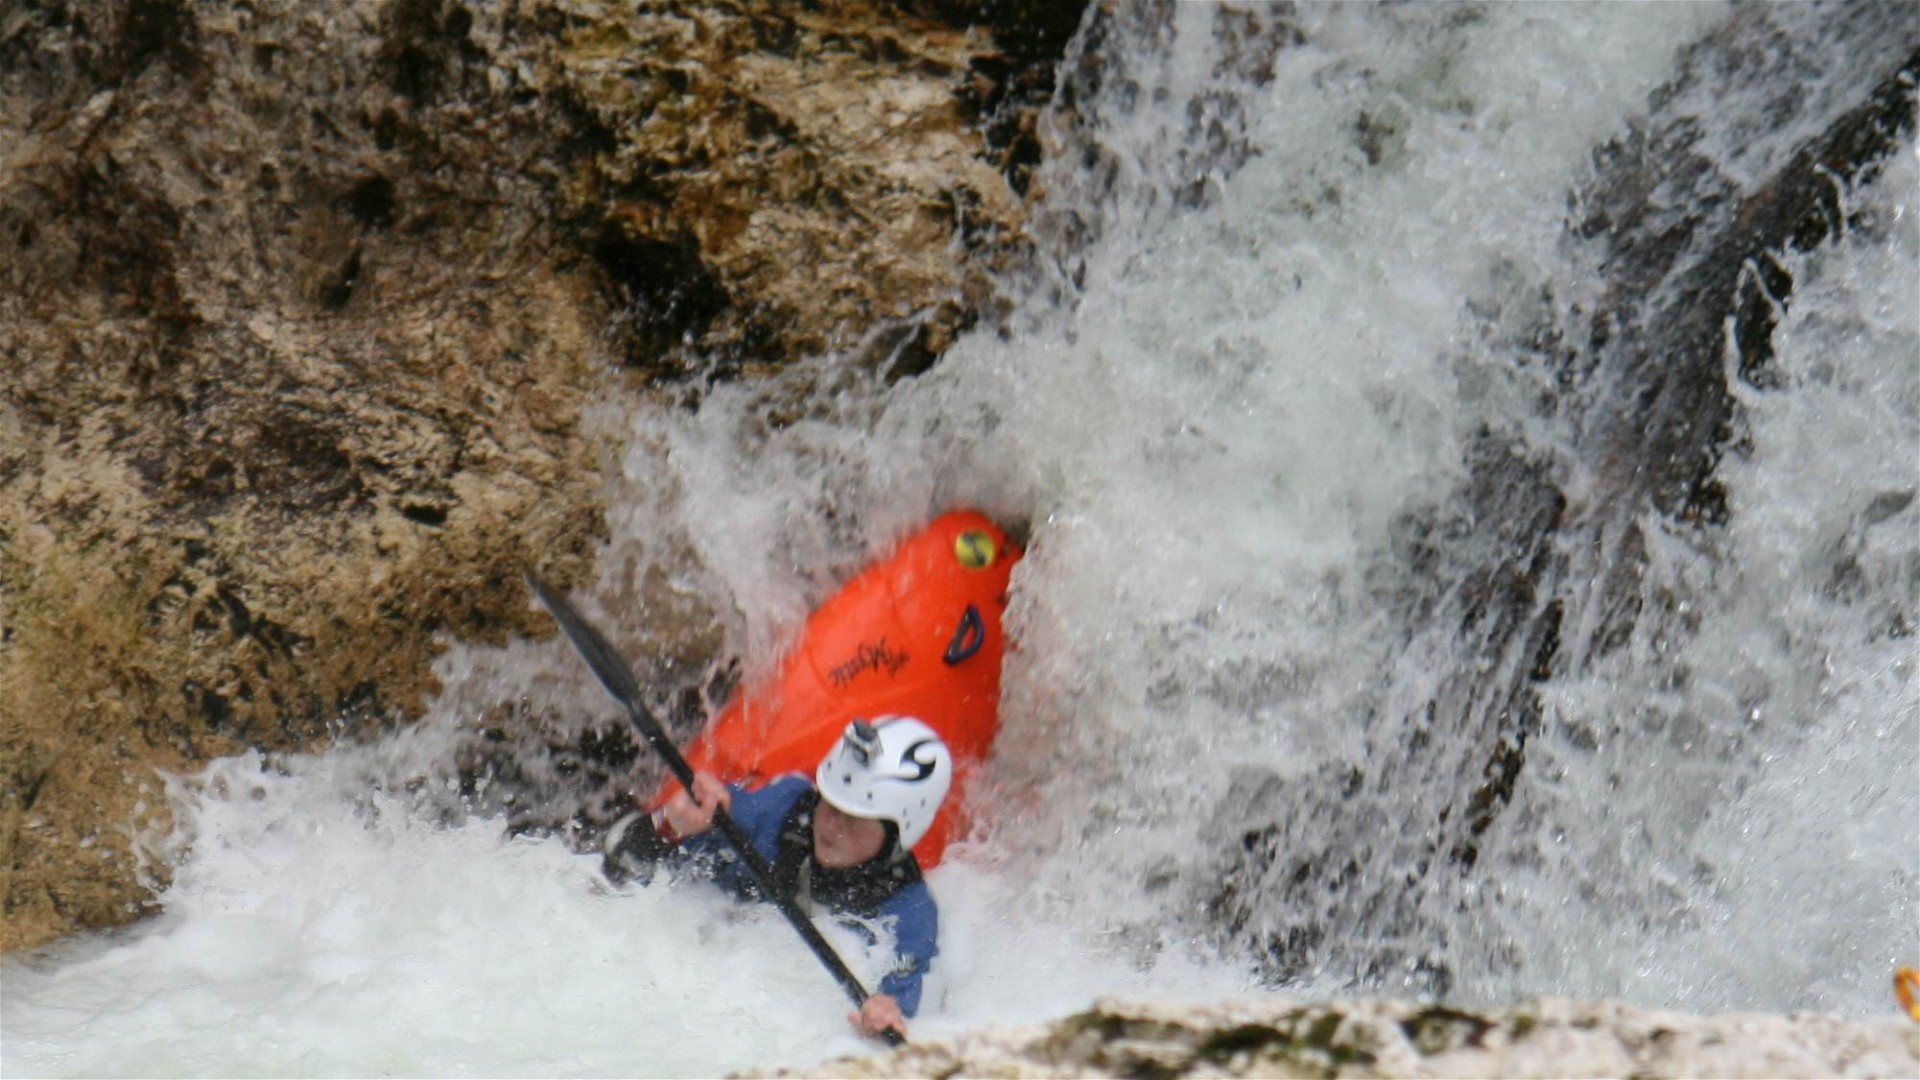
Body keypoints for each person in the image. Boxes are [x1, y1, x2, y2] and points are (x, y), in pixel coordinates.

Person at [602, 715, 951, 1041]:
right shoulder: (772, 814)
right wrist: (667, 826)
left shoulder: (911, 912)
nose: (832, 827)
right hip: (686, 964)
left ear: (898, 834)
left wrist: (887, 1013)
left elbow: (914, 1008)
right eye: (830, 805)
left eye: (854, 819)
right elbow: (618, 861)